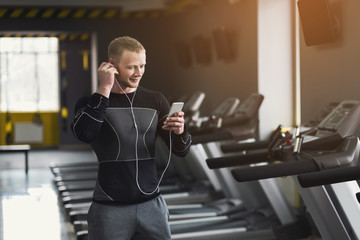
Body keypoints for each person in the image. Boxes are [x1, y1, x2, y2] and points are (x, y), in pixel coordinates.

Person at [71, 36, 192, 240]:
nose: (139, 73)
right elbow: (85, 134)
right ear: (112, 65)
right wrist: (104, 89)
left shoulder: (155, 100)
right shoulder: (90, 103)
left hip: (152, 206)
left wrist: (181, 132)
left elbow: (181, 151)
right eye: (131, 67)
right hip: (109, 208)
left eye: (143, 66)